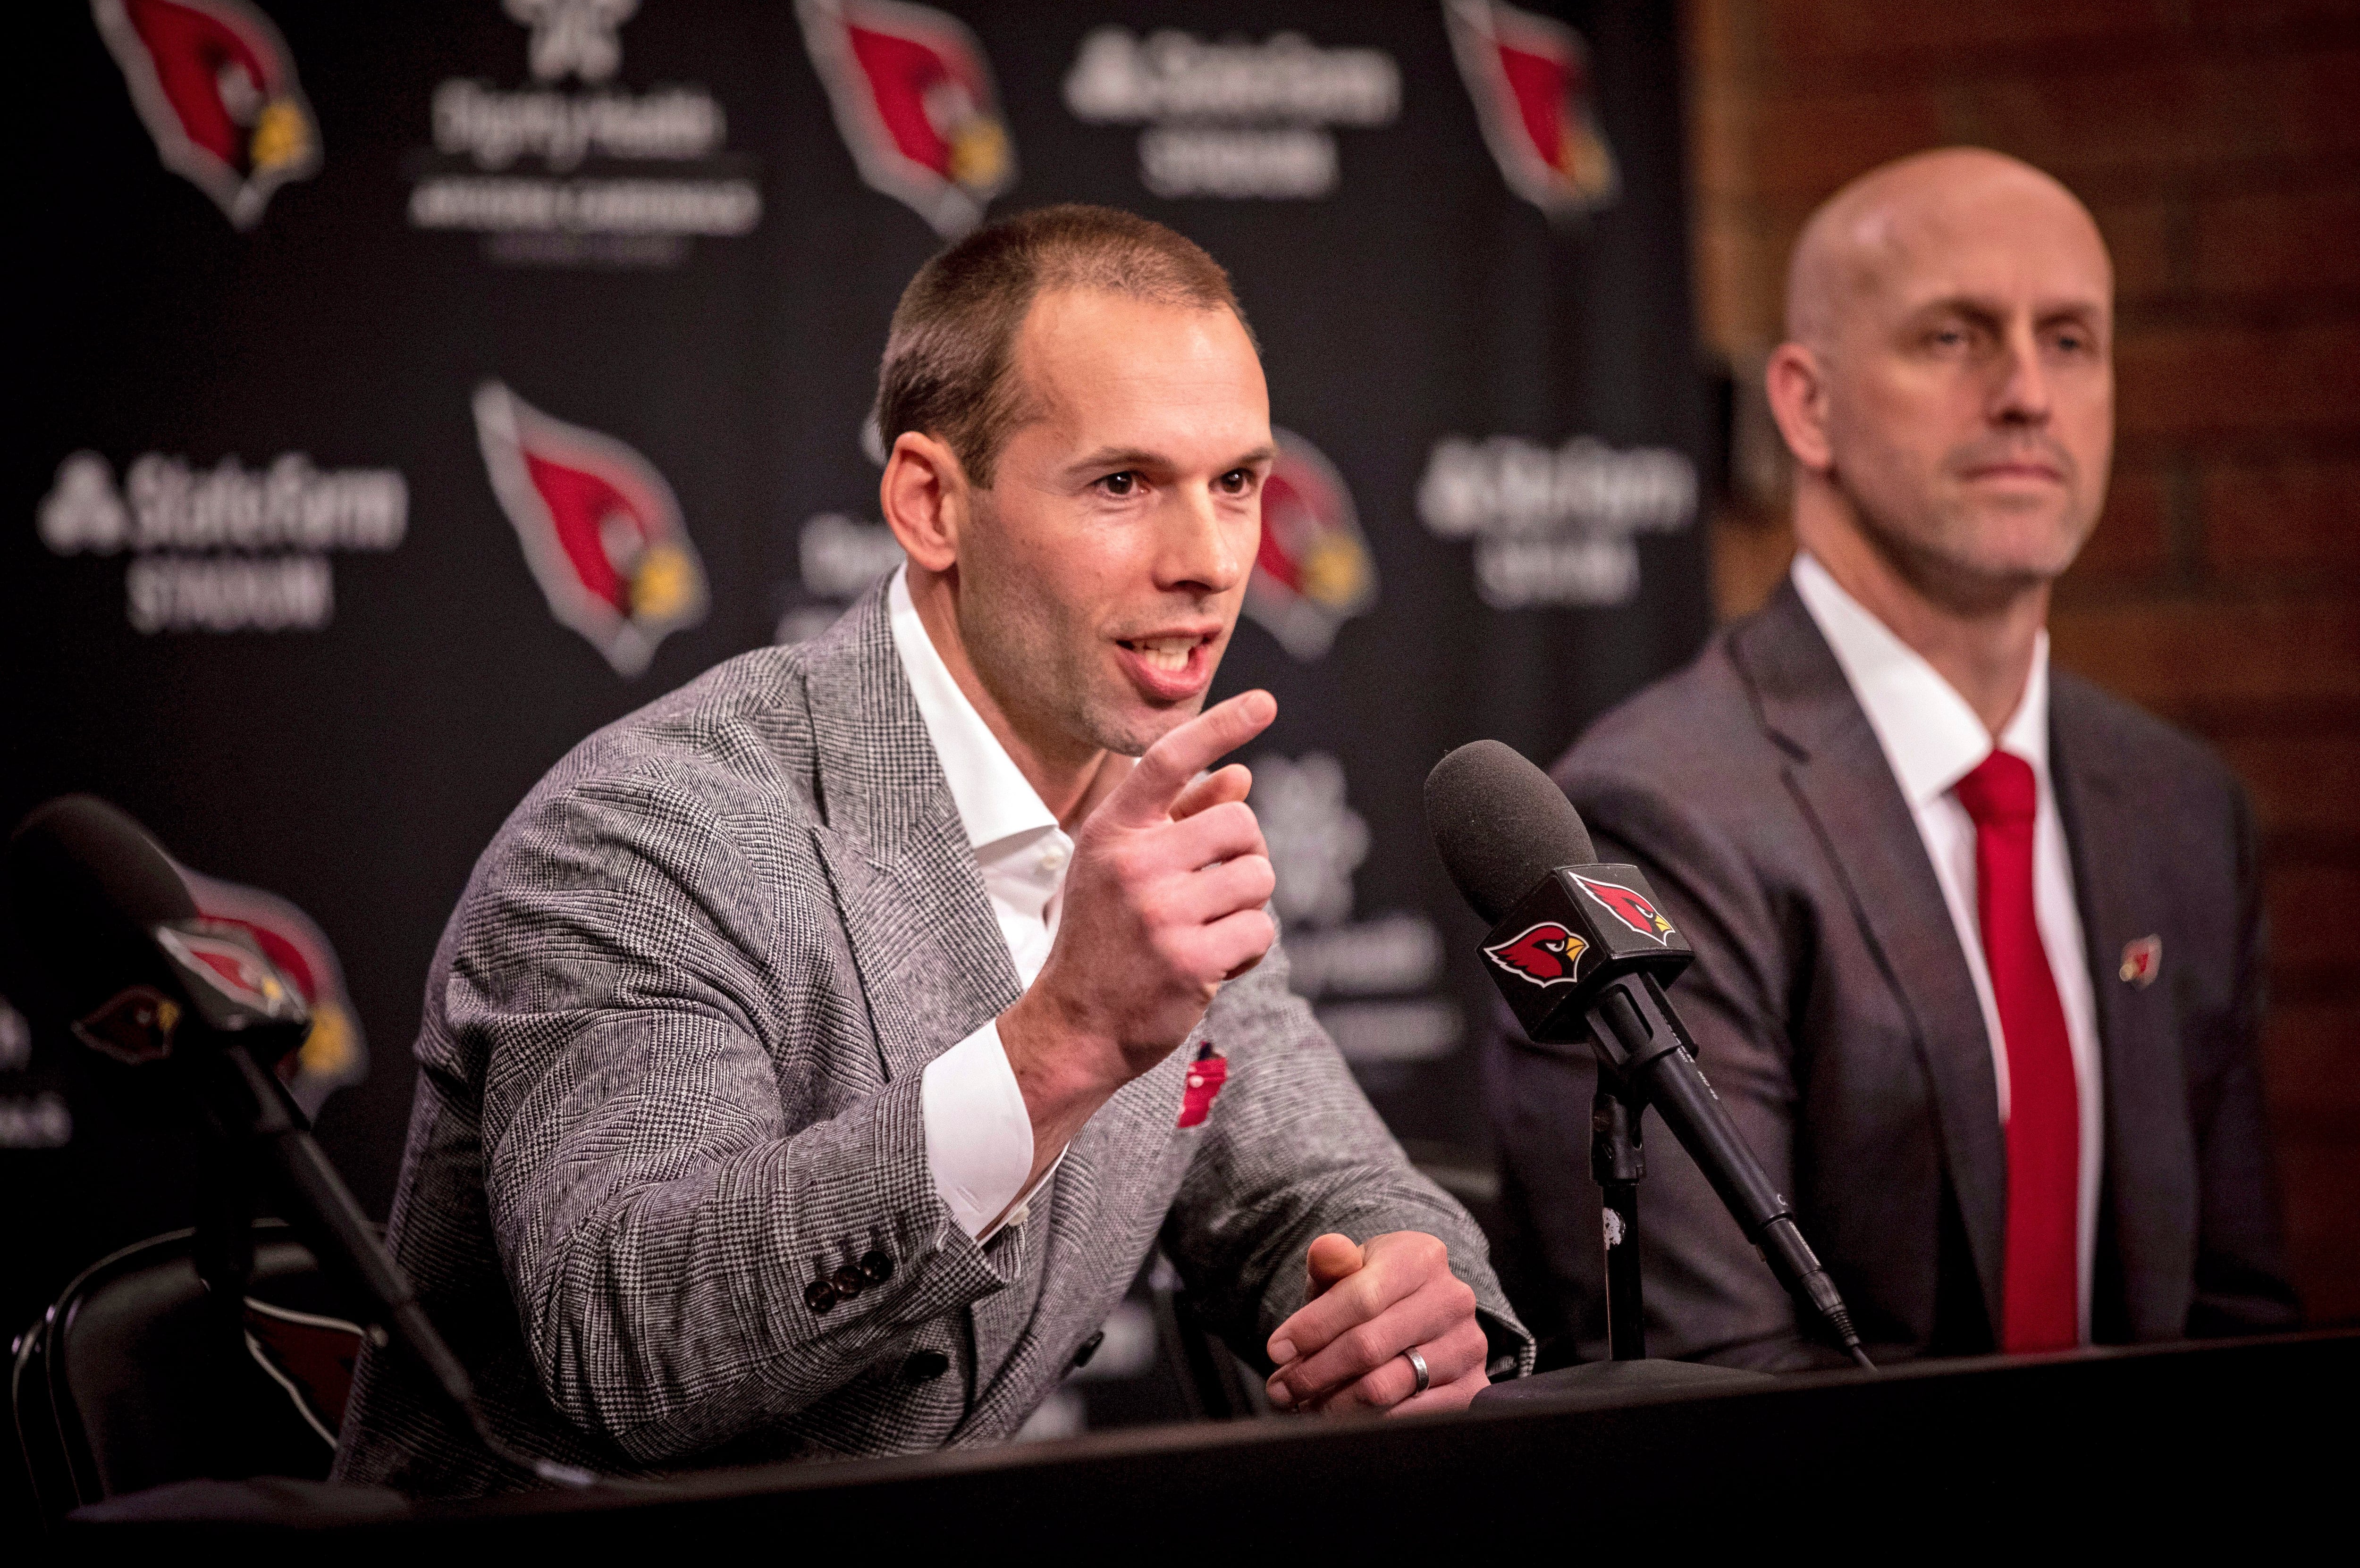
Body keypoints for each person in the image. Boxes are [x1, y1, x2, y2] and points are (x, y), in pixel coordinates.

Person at [337, 205, 1529, 1495]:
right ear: (930, 504)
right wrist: (1060, 1047)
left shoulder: (1155, 818)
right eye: (1123, 484)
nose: (1208, 563)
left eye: (1236, 483)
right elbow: (633, 1342)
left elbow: (1315, 1186)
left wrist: (1406, 1298)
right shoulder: (653, 829)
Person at [1487, 149, 2299, 1370]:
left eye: (2071, 340)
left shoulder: (2183, 807)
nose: (2028, 392)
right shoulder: (1660, 812)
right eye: (1955, 339)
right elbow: (1725, 1387)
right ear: (1806, 406)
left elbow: (2239, 1313)